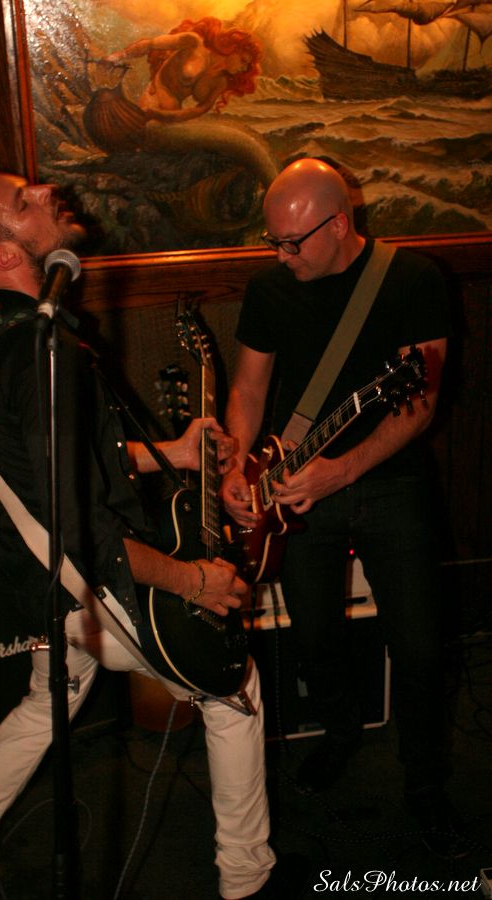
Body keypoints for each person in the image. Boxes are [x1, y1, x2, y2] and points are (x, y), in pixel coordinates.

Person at [0, 170, 289, 900]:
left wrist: (173, 453)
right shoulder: (40, 354)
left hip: (42, 582)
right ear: (7, 254)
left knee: (45, 702)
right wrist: (193, 579)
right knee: (230, 687)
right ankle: (248, 877)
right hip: (84, 580)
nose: (47, 192)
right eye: (23, 202)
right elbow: (80, 527)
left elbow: (63, 462)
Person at [221, 157, 469, 859]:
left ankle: (424, 782)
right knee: (315, 634)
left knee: (419, 646)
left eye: (292, 242)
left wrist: (344, 471)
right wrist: (237, 465)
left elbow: (421, 403)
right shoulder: (270, 288)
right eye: (272, 240)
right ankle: (339, 732)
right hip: (293, 487)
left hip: (391, 484)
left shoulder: (413, 279)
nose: (281, 255)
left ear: (339, 223)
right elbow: (248, 389)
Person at [103, 16, 261, 124]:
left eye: (247, 66)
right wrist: (120, 55)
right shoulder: (194, 43)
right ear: (232, 49)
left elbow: (199, 110)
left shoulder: (220, 81)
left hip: (172, 112)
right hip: (154, 95)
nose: (243, 68)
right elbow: (151, 44)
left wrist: (162, 115)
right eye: (243, 60)